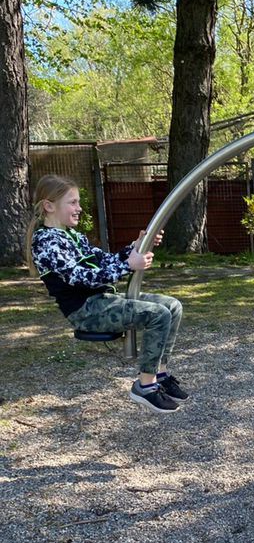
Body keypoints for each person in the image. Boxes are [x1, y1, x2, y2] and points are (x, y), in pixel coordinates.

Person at [27, 174, 189, 414]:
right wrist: (128, 265)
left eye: (78, 202)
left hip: (103, 300)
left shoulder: (73, 236)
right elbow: (80, 277)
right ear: (49, 206)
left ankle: (160, 373)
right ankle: (145, 387)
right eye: (72, 202)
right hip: (86, 310)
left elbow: (105, 261)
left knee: (172, 306)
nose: (79, 208)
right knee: (158, 315)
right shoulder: (46, 242)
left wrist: (136, 247)